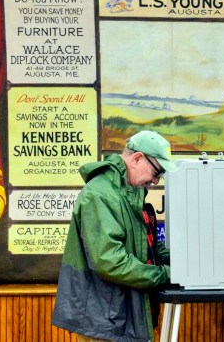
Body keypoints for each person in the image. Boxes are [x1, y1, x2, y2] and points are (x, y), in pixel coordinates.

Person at [52, 130, 178, 342]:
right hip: (104, 321)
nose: (156, 181)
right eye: (157, 172)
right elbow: (110, 262)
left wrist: (183, 262)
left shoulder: (130, 191)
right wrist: (164, 274)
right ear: (137, 158)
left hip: (122, 314)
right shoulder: (100, 194)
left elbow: (148, 248)